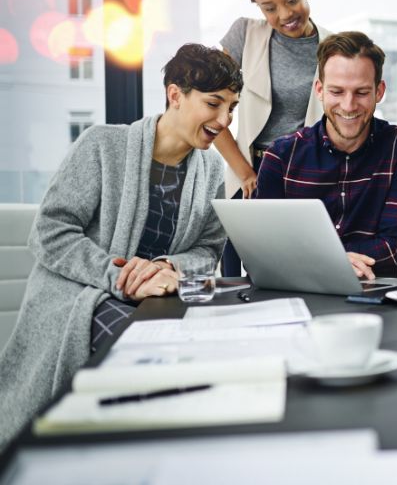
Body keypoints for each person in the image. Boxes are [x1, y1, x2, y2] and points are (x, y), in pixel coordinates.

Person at [0, 44, 242, 446]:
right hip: (80, 298)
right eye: (214, 103)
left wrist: (168, 268)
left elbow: (208, 250)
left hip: (159, 298)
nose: (224, 120)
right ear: (175, 95)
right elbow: (50, 232)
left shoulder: (212, 168)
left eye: (231, 107)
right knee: (149, 362)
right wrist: (122, 278)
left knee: (214, 361)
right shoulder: (102, 145)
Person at [255, 31, 397, 279]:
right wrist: (336, 261)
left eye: (361, 92)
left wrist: (306, 260)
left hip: (375, 302)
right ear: (320, 90)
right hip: (298, 299)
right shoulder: (280, 157)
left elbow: (393, 252)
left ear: (379, 91)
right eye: (337, 92)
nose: (348, 106)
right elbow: (263, 253)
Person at [217, 0, 332, 276]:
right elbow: (211, 111)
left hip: (307, 179)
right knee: (240, 284)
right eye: (269, 8)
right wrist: (245, 172)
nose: (284, 14)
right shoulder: (244, 35)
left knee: (295, 277)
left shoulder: (333, 46)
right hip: (249, 178)